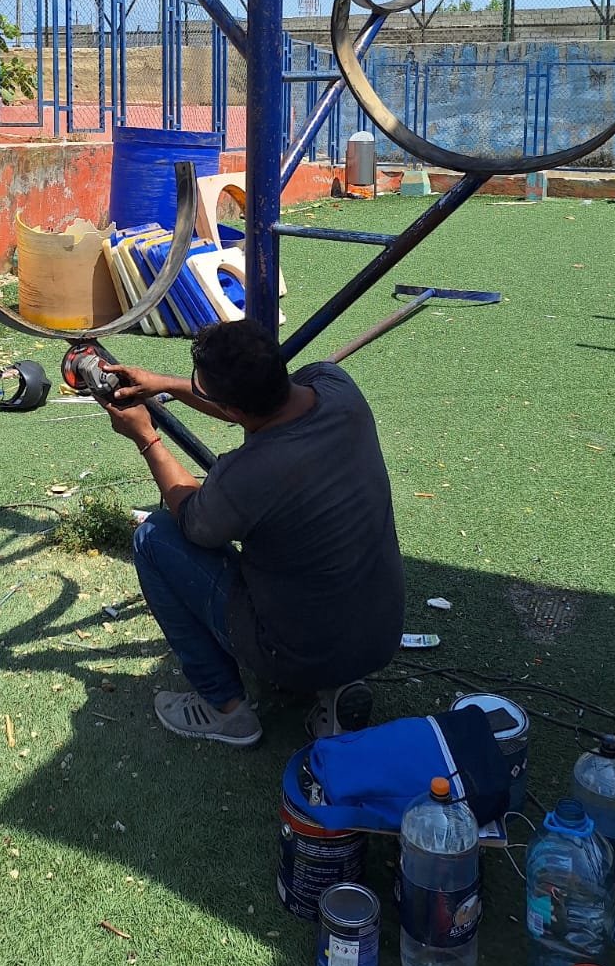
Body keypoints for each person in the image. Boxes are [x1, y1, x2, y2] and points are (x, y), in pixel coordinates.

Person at [105, 318, 405, 749]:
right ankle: (337, 688)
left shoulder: (247, 474)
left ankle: (225, 709)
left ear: (233, 412)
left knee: (154, 538)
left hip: (293, 656)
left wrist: (146, 437)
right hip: (379, 636)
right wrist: (163, 384)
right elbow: (259, 406)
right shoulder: (337, 387)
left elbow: (192, 521)